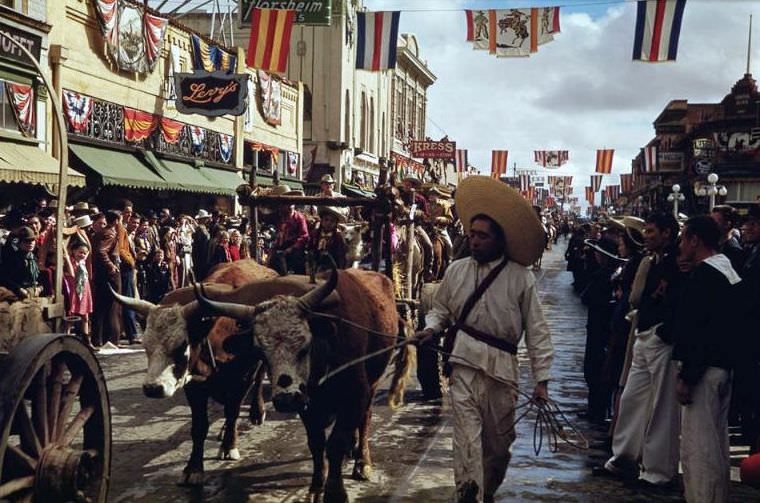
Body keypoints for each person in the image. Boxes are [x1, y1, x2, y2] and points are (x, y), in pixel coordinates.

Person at [414, 176, 553, 503]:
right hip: (463, 364)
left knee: (498, 446)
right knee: (466, 439)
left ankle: (486, 491)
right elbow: (442, 309)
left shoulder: (521, 278)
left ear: (498, 240)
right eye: (472, 235)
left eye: (482, 236)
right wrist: (431, 327)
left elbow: (537, 331)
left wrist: (542, 379)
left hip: (503, 371)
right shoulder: (457, 271)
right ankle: (468, 492)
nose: (474, 241)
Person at [595, 212, 683, 487]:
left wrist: (663, 331)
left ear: (667, 233)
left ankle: (658, 471)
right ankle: (623, 457)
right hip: (645, 334)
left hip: (661, 337)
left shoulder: (676, 262)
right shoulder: (652, 260)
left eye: (652, 231)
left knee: (661, 408)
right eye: (645, 230)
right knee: (633, 399)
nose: (646, 235)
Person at [671, 215, 741, 503]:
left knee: (700, 450)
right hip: (722, 368)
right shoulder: (728, 272)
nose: (682, 245)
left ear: (695, 240)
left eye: (684, 238)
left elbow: (700, 331)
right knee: (716, 445)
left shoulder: (705, 277)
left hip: (704, 373)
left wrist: (688, 376)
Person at [580, 236, 622, 423]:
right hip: (599, 327)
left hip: (601, 328)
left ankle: (597, 411)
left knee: (596, 369)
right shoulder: (608, 273)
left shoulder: (607, 275)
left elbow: (587, 297)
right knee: (594, 370)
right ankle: (595, 409)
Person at [91, 210, 123, 347]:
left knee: (101, 306)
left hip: (101, 273)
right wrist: (111, 266)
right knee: (112, 305)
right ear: (116, 221)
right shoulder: (109, 233)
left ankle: (99, 338)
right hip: (109, 274)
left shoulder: (100, 232)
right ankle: (110, 339)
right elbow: (101, 251)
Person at [269, 186, 309, 275]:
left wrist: (291, 248)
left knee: (297, 266)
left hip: (294, 250)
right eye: (285, 203)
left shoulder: (299, 218)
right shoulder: (279, 217)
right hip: (281, 249)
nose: (289, 205)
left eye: (290, 203)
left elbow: (304, 236)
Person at [64, 242, 96, 350]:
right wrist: (67, 256)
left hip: (84, 289)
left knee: (85, 316)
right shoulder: (71, 262)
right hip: (74, 290)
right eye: (80, 252)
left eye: (84, 253)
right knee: (71, 316)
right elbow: (72, 274)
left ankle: (87, 341)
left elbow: (88, 250)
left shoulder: (83, 262)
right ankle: (66, 339)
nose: (82, 255)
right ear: (73, 251)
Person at [0, 226, 41, 299]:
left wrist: (39, 288)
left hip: (33, 291)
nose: (30, 243)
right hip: (16, 292)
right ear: (19, 243)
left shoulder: (35, 258)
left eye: (32, 240)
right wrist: (19, 289)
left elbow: (41, 279)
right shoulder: (12, 258)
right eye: (26, 241)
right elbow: (4, 278)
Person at [711, 205, 744, 272]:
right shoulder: (713, 243)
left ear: (727, 224)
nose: (710, 224)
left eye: (715, 222)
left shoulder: (734, 251)